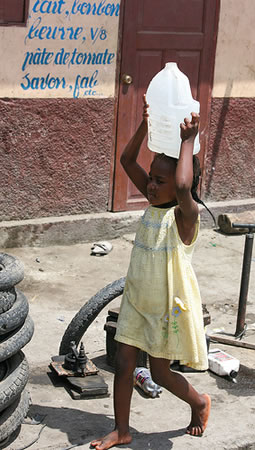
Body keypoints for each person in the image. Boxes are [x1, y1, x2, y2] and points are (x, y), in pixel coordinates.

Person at [91, 96, 211, 450]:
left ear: (178, 184)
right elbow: (127, 159)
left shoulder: (184, 217)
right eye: (152, 179)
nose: (151, 186)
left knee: (159, 372)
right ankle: (122, 429)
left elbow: (186, 187)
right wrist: (146, 125)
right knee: (125, 363)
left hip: (166, 308)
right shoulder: (154, 204)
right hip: (138, 298)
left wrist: (188, 141)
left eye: (160, 181)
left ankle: (200, 402)